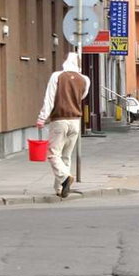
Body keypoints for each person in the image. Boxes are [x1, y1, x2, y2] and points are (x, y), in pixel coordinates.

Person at [36, 53, 90, 198]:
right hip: (76, 121)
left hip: (59, 120)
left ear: (66, 61)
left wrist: (42, 118)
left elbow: (49, 98)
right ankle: (60, 188)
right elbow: (82, 96)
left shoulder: (57, 76)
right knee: (66, 155)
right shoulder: (85, 79)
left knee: (53, 154)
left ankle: (65, 178)